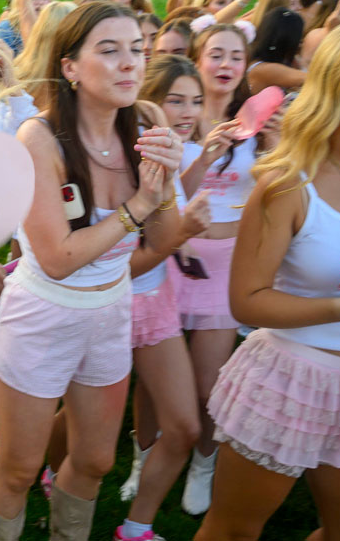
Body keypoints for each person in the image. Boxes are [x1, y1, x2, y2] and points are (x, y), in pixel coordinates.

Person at [195, 19, 340, 541]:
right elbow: (247, 302)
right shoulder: (286, 182)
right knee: (234, 529)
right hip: (287, 381)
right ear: (330, 84)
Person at [0, 1, 183, 541]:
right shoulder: (38, 140)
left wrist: (165, 188)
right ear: (70, 67)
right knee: (19, 470)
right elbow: (57, 258)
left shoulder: (148, 123)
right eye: (110, 51)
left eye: (138, 50)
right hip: (42, 314)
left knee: (94, 461)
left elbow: (163, 240)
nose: (130, 64)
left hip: (111, 312)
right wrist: (139, 206)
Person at [115, 55, 210, 541]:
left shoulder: (173, 153)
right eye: (176, 100)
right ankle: (48, 472)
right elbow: (119, 263)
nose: (187, 111)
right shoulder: (115, 152)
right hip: (102, 307)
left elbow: (163, 236)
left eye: (196, 101)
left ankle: (136, 529)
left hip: (154, 301)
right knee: (85, 429)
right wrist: (180, 236)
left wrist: (181, 230)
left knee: (183, 426)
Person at [174, 23, 262, 516]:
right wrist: (206, 149)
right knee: (156, 377)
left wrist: (277, 145)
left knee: (209, 383)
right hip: (172, 257)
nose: (226, 64)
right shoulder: (175, 117)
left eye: (236, 56)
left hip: (226, 265)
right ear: (198, 59)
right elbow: (169, 201)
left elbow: (275, 196)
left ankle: (203, 464)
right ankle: (148, 460)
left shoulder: (257, 124)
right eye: (216, 54)